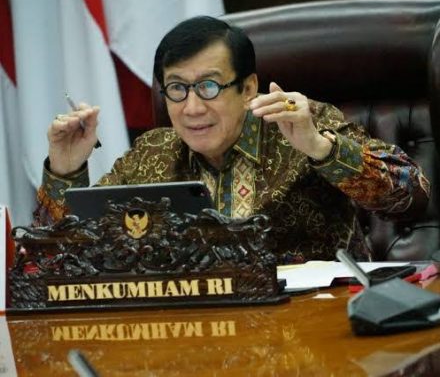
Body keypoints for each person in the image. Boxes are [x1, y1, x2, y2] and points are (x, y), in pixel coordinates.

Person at [35, 16, 430, 263]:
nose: (191, 108)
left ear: (248, 88)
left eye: (209, 86)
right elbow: (64, 255)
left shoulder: (303, 126)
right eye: (177, 88)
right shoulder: (152, 153)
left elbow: (413, 194)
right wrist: (65, 169)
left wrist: (321, 149)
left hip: (312, 328)